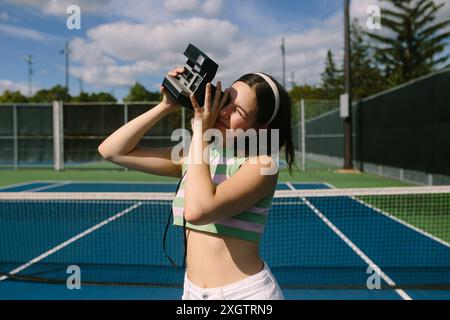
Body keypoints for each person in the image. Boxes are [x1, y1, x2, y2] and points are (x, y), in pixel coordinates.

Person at [98, 67, 295, 300]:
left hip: (245, 295)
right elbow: (112, 151)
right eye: (227, 100)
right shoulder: (198, 154)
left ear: (261, 128)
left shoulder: (262, 165)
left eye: (238, 110)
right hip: (193, 293)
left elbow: (198, 211)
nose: (223, 111)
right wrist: (166, 105)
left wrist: (201, 132)